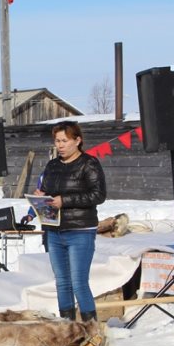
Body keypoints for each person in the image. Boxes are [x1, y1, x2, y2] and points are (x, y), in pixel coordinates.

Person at [35, 121, 106, 322]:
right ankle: (67, 328)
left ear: (77, 140)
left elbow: (98, 195)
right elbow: (49, 192)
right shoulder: (52, 165)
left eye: (64, 140)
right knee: (62, 282)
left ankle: (91, 330)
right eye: (57, 141)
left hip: (80, 230)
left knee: (78, 282)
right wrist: (41, 196)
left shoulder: (89, 163)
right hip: (55, 230)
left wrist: (64, 201)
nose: (60, 145)